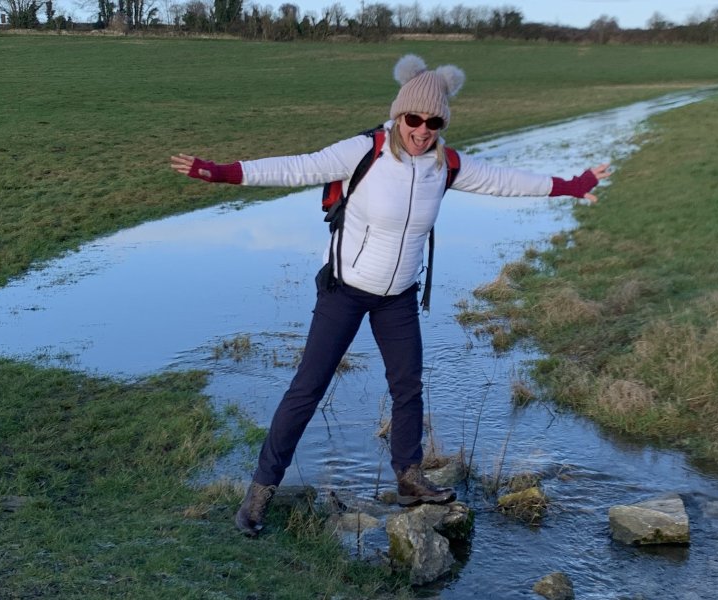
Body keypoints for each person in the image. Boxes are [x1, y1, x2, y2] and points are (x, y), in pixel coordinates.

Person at [170, 54, 610, 537]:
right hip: (345, 291)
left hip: (398, 296)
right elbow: (298, 167)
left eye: (434, 121)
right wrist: (221, 172)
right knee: (307, 389)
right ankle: (258, 496)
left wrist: (573, 185)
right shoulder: (366, 151)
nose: (423, 130)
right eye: (414, 119)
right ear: (399, 114)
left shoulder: (447, 164)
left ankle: (409, 478)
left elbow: (507, 181)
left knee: (408, 386)